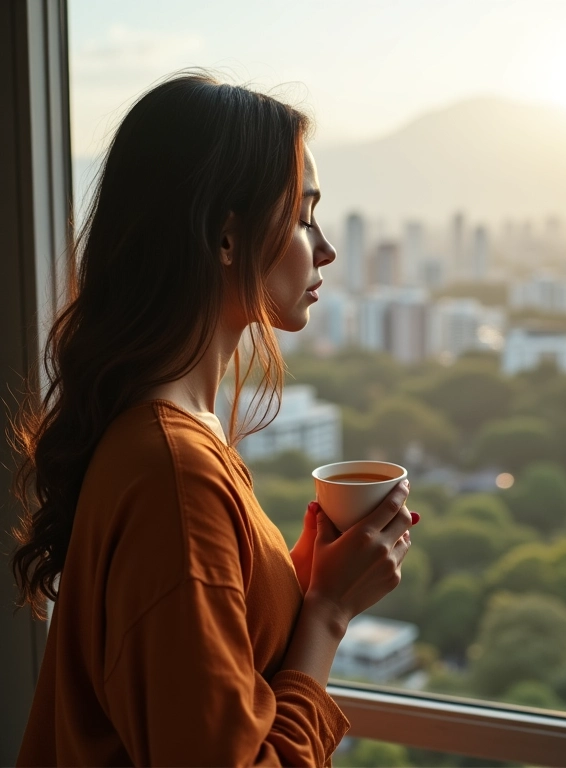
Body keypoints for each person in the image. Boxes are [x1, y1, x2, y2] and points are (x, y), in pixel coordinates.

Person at [10, 72, 416, 767]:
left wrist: (299, 582)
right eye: (303, 217)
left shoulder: (170, 436)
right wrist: (327, 615)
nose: (325, 248)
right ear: (227, 237)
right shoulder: (176, 473)